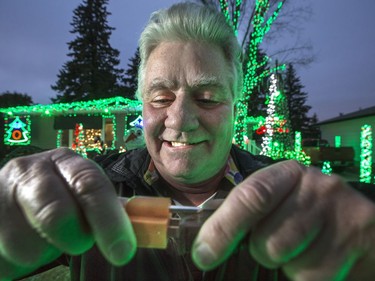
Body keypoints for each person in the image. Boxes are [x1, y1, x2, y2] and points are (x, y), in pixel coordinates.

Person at [1, 2, 375, 281]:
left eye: (208, 97)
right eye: (161, 98)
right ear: (142, 105)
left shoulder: (290, 199)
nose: (180, 120)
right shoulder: (92, 188)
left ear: (234, 105)